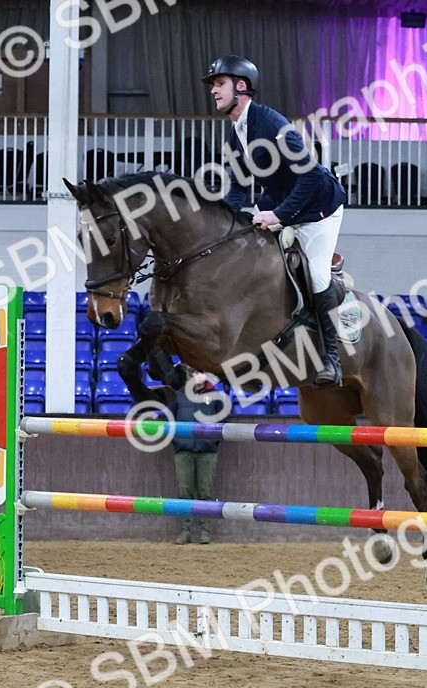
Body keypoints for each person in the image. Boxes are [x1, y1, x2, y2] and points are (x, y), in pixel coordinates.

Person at [201, 55, 348, 388]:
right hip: (280, 203)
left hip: (319, 207)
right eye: (212, 85)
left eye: (219, 83)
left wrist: (279, 215)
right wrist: (226, 224)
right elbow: (238, 188)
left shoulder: (271, 124)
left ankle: (332, 359)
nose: (213, 90)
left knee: (316, 272)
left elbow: (310, 176)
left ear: (241, 86)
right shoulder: (235, 136)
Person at [170, 367, 227, 544]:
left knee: (206, 492)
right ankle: (185, 532)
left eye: (202, 371)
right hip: (184, 450)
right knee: (184, 492)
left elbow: (223, 421)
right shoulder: (178, 395)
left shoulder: (217, 395)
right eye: (194, 372)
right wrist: (178, 441)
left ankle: (205, 531)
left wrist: (212, 441)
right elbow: (169, 420)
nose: (199, 375)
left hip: (207, 451)